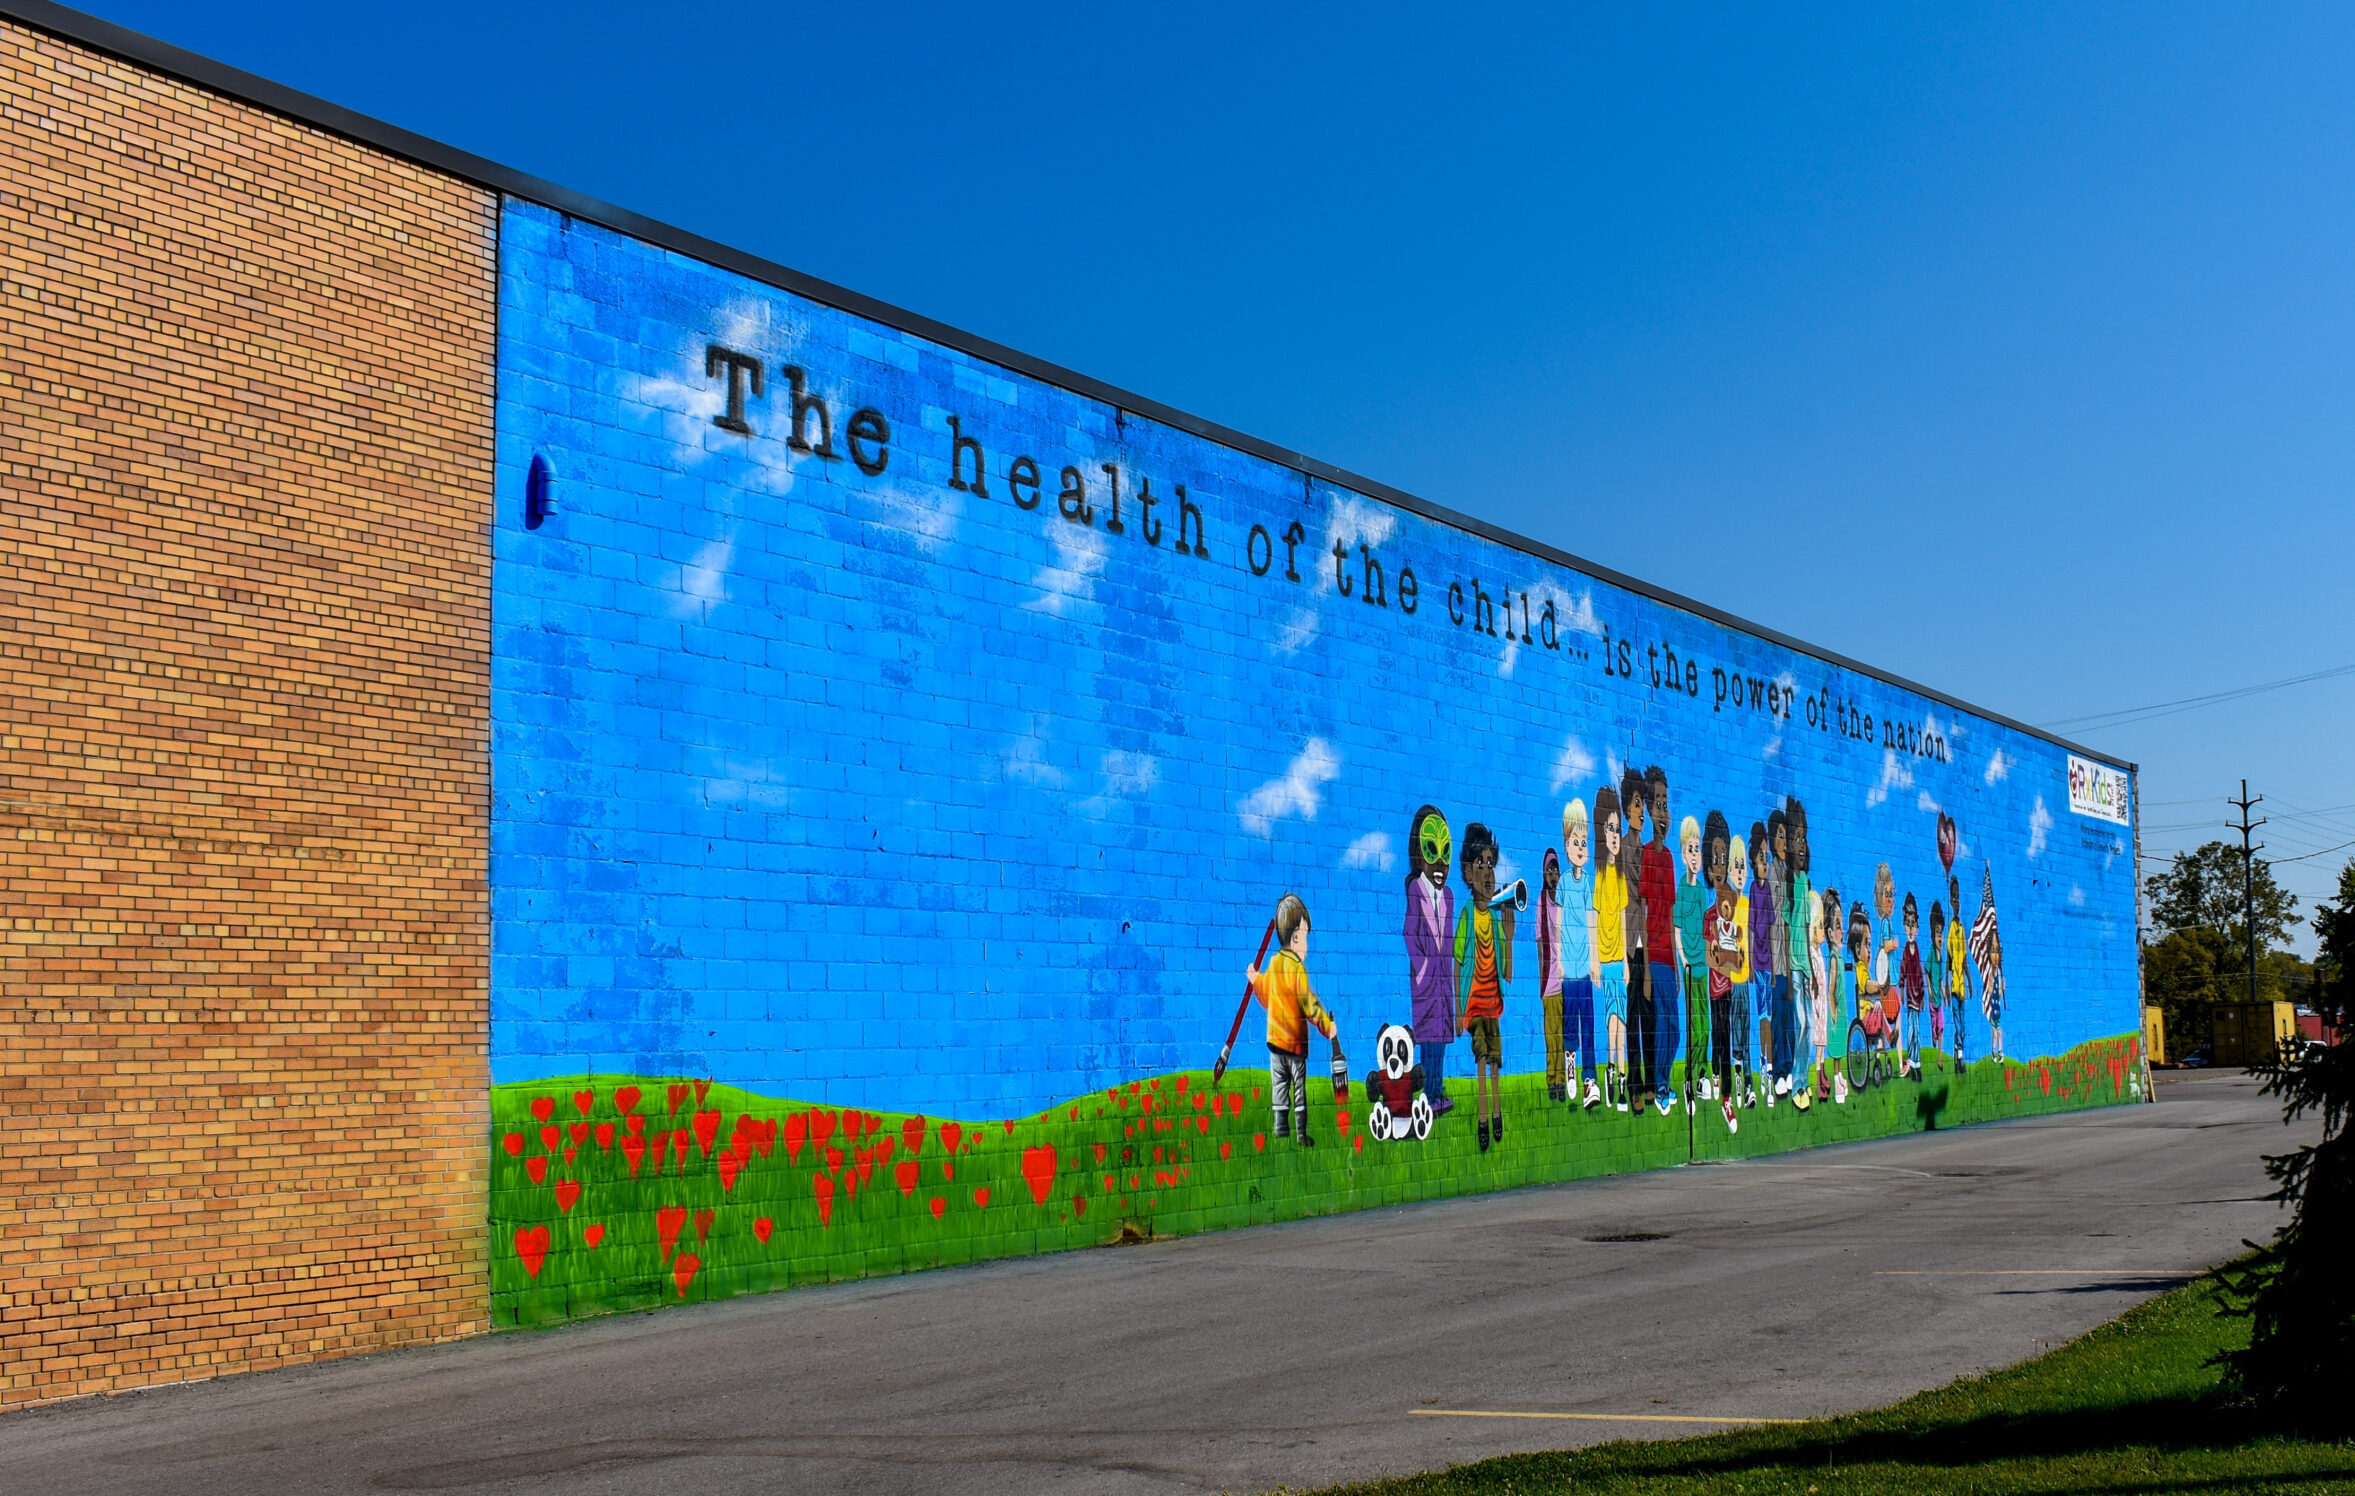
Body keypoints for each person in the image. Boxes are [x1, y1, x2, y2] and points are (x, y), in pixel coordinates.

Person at [1247, 893, 1339, 1145]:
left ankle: (1280, 1130)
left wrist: (1255, 979)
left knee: (1279, 1088)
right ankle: (1300, 1134)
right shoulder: (1297, 969)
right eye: (1305, 936)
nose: (1306, 943)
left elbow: (1266, 994)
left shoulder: (1274, 963)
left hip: (1275, 1044)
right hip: (1295, 1046)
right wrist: (1327, 1026)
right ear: (1296, 936)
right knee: (1299, 1090)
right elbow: (1308, 1003)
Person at [1454, 823, 1515, 1151]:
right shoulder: (1467, 915)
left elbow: (1507, 974)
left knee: (1495, 1062)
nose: (1488, 873)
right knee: (1481, 1060)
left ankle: (1497, 1114)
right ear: (1466, 873)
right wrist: (1455, 1010)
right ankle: (1482, 1119)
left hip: (1494, 1003)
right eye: (1480, 865)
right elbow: (1457, 962)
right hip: (1474, 1004)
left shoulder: (1494, 916)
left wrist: (1510, 936)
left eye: (1491, 864)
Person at [1403, 805, 1458, 1118]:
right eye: (1432, 850)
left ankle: (1437, 1091)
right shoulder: (1415, 889)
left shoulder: (1448, 896)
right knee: (1429, 1039)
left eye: (1446, 852)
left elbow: (1447, 940)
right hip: (1426, 980)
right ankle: (1428, 1094)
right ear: (1418, 853)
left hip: (1443, 980)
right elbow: (1409, 933)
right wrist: (1422, 968)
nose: (1440, 862)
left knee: (1442, 1039)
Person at [1558, 800, 1603, 1108]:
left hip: (1585, 968)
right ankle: (1570, 1063)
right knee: (1570, 1023)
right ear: (1566, 844)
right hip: (1569, 970)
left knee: (1588, 1022)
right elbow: (1559, 923)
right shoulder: (1562, 882)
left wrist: (1596, 959)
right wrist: (1559, 961)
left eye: (1584, 842)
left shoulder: (1588, 884)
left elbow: (1592, 922)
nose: (1581, 847)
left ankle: (1590, 1079)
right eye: (1576, 841)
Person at [1642, 767, 1682, 1116]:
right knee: (1660, 1023)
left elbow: (1669, 914)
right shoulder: (1644, 856)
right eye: (1657, 803)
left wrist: (1678, 968)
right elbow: (1642, 912)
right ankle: (1658, 1084)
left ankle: (1664, 1081)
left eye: (1666, 804)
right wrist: (1646, 969)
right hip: (1651, 956)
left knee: (1675, 1027)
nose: (1663, 811)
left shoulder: (1669, 859)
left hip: (1668, 957)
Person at [1703, 826, 1745, 1134]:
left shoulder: (1730, 918)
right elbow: (1712, 955)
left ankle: (1726, 1096)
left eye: (1724, 857)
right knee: (1716, 1032)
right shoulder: (1708, 917)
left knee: (1725, 1035)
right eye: (1715, 857)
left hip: (1727, 986)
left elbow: (1737, 953)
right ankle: (1714, 1074)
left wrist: (1736, 955)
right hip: (1714, 988)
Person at [1593, 785, 1632, 1112]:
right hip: (1605, 959)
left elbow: (1621, 917)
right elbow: (1595, 916)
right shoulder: (1598, 874)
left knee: (1622, 1019)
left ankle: (1621, 1078)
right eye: (1610, 828)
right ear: (1601, 832)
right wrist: (1595, 957)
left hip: (1619, 959)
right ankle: (1611, 1072)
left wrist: (1628, 961)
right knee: (1612, 1020)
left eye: (1618, 829)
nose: (1616, 835)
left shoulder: (1619, 877)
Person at [1618, 767, 1654, 1111]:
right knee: (1632, 1017)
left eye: (1644, 805)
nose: (1642, 811)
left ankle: (1650, 1081)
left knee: (1648, 1014)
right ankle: (1635, 1083)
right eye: (1638, 803)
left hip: (1648, 945)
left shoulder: (1646, 851)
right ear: (1627, 806)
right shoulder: (1626, 850)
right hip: (1630, 945)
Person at [1674, 813, 1711, 1103]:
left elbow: (1705, 929)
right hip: (1689, 966)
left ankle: (1701, 1076)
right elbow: (1677, 929)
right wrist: (1684, 958)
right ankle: (1690, 1075)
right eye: (1690, 849)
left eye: (1698, 849)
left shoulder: (1701, 891)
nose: (1695, 855)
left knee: (1705, 1026)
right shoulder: (1683, 889)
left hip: (1704, 966)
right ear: (1683, 854)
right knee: (1694, 1025)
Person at [1748, 817, 1781, 1106]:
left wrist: (1771, 968)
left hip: (1766, 964)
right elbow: (1750, 929)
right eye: (1761, 857)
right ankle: (1764, 1065)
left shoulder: (1767, 891)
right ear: (1752, 860)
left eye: (1767, 857)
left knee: (1768, 1015)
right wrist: (1750, 966)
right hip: (1756, 965)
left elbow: (1770, 928)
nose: (1765, 861)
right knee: (1762, 1016)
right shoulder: (1753, 890)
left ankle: (1769, 1065)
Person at [1945, 872, 1974, 1067]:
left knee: (1962, 1023)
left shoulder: (1962, 929)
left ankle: (1959, 1048)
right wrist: (1947, 986)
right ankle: (1959, 1053)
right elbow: (1948, 960)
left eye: (1958, 898)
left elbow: (1964, 960)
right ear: (1950, 901)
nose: (1956, 902)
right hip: (1954, 986)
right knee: (1956, 1021)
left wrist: (1970, 981)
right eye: (1953, 898)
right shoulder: (1950, 930)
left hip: (1962, 984)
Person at [1899, 891, 1927, 1078]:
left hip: (1917, 996)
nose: (1910, 929)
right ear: (1904, 926)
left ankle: (1916, 1064)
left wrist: (1923, 995)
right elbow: (1903, 971)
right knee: (1911, 1030)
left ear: (1917, 928)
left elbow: (1920, 974)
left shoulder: (1916, 950)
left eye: (1913, 925)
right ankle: (1912, 1061)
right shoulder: (1906, 952)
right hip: (1910, 997)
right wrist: (1901, 989)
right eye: (1907, 924)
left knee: (1916, 1031)